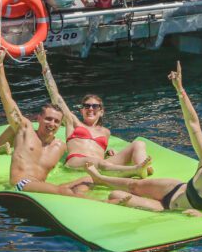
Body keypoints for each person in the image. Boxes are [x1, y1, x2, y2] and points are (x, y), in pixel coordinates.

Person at [85, 61, 202, 218]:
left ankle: (104, 181)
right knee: (134, 185)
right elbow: (193, 124)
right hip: (173, 188)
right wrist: (180, 89)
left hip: (167, 207)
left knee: (115, 196)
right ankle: (99, 178)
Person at [36, 43, 151, 176]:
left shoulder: (105, 132)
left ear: (101, 112)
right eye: (86, 106)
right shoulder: (72, 122)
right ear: (81, 111)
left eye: (95, 106)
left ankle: (142, 172)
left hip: (101, 164)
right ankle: (137, 169)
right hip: (77, 162)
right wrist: (44, 64)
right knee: (97, 162)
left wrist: (109, 154)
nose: (90, 108)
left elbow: (97, 151)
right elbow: (55, 96)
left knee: (139, 144)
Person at [0, 48, 91, 197]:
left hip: (41, 187)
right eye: (48, 119)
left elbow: (82, 153)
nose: (52, 123)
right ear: (38, 119)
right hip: (21, 185)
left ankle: (82, 200)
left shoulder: (60, 146)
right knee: (64, 191)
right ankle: (106, 205)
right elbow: (7, 98)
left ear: (60, 124)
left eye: (56, 121)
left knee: (87, 179)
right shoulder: (25, 131)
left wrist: (109, 155)